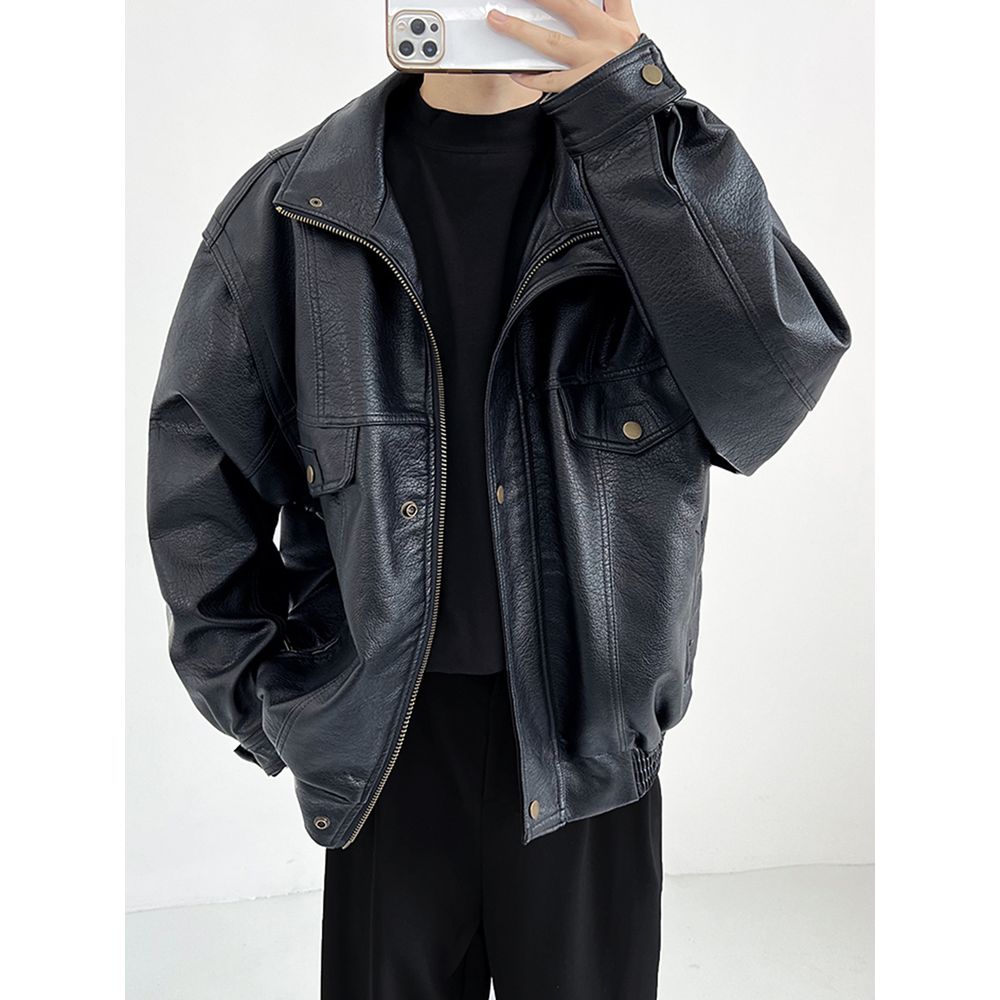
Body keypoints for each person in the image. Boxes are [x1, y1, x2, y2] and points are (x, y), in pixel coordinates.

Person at [146, 2, 850, 996]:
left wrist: (633, 109)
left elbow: (773, 387)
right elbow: (199, 472)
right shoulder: (294, 208)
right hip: (385, 744)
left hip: (590, 743)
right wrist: (271, 705)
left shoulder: (650, 182)